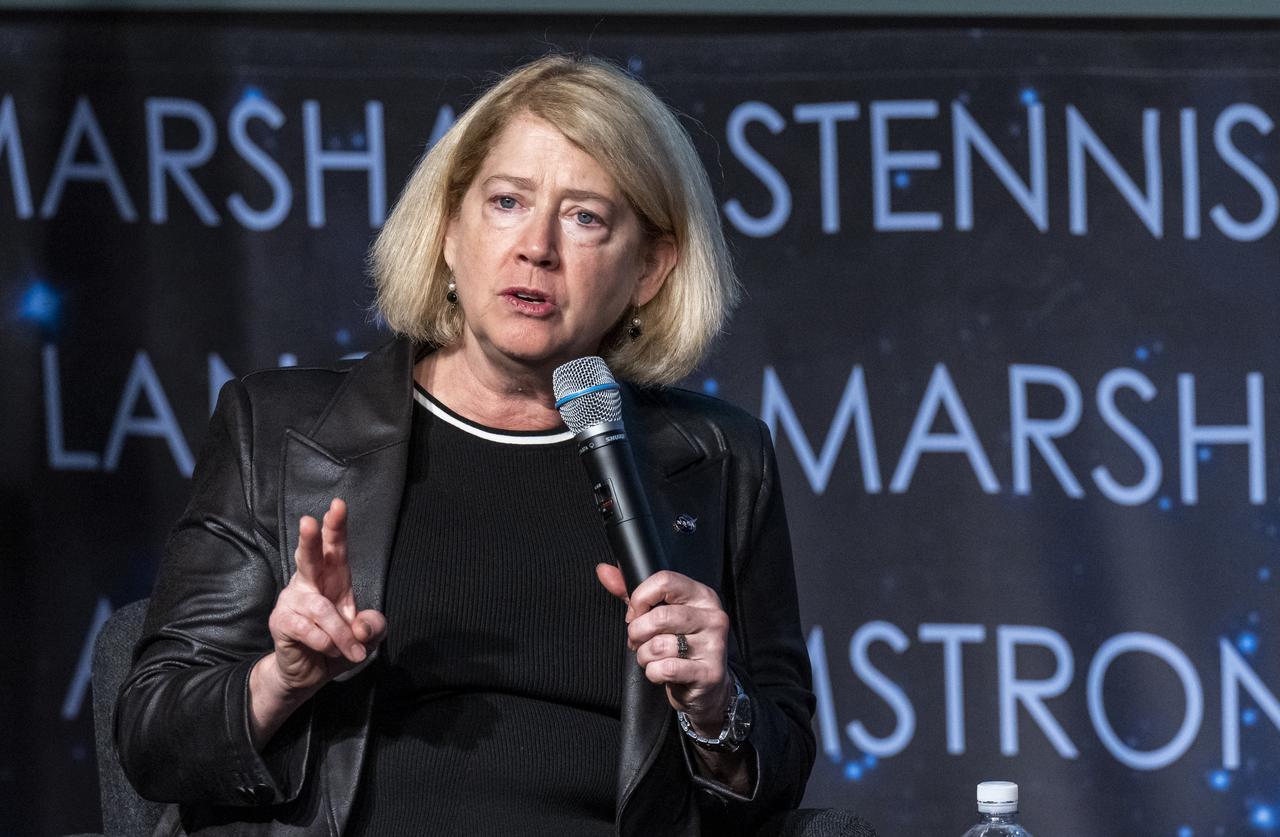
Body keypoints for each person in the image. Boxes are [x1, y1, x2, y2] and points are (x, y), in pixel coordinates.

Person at [116, 53, 815, 836]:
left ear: (650, 268)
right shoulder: (281, 432)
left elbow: (782, 766)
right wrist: (283, 677)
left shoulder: (722, 460)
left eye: (586, 217)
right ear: (450, 230)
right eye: (508, 201)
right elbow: (153, 737)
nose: (537, 247)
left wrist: (716, 710)